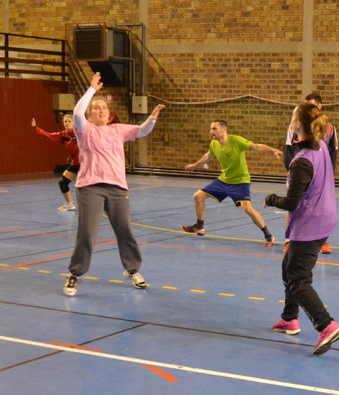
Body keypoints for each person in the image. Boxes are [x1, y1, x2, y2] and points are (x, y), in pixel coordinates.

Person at [64, 72, 165, 296]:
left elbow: (142, 130)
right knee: (87, 233)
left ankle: (132, 270)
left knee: (124, 230)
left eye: (104, 107)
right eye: (96, 108)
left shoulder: (118, 130)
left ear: (109, 114)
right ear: (90, 114)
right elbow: (77, 112)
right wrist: (92, 90)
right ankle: (75, 274)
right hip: (90, 188)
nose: (101, 110)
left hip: (117, 189)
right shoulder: (84, 130)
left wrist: (152, 118)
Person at [264, 101, 339, 355]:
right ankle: (289, 318)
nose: (290, 119)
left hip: (311, 225)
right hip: (325, 218)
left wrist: (271, 199)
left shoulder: (302, 161)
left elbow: (291, 203)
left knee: (298, 280)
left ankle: (326, 325)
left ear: (298, 123)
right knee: (288, 266)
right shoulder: (321, 146)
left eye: (292, 116)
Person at [182, 120, 282, 247]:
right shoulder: (214, 143)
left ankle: (268, 235)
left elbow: (256, 147)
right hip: (223, 180)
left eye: (214, 128)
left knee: (247, 208)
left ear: (224, 129)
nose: (211, 132)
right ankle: (199, 226)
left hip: (240, 182)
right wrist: (195, 165)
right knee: (198, 196)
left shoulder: (236, 141)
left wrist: (273, 150)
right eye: (211, 129)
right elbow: (208, 156)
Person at [283, 93, 337, 254]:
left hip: (317, 173)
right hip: (300, 172)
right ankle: (289, 240)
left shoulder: (328, 130)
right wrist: (294, 172)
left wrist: (328, 174)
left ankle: (321, 239)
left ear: (319, 107)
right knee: (294, 204)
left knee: (318, 205)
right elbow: (288, 149)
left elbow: (332, 152)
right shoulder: (294, 130)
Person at [31, 113, 79, 210]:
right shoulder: (63, 135)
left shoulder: (80, 133)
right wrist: (36, 128)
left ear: (74, 123)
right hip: (75, 163)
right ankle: (69, 203)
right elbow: (49, 135)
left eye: (69, 121)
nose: (66, 123)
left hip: (86, 164)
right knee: (63, 183)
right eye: (65, 121)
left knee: (85, 186)